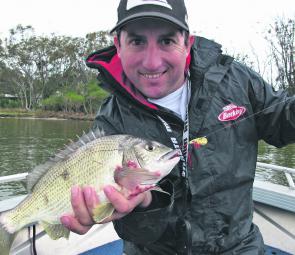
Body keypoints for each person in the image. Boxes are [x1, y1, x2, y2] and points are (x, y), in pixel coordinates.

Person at [60, 0, 295, 254]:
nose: (151, 62)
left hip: (240, 247)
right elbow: (137, 232)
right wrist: (144, 205)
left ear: (187, 42)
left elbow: (282, 120)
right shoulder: (110, 122)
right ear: (118, 45)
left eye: (167, 41)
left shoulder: (235, 81)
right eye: (137, 41)